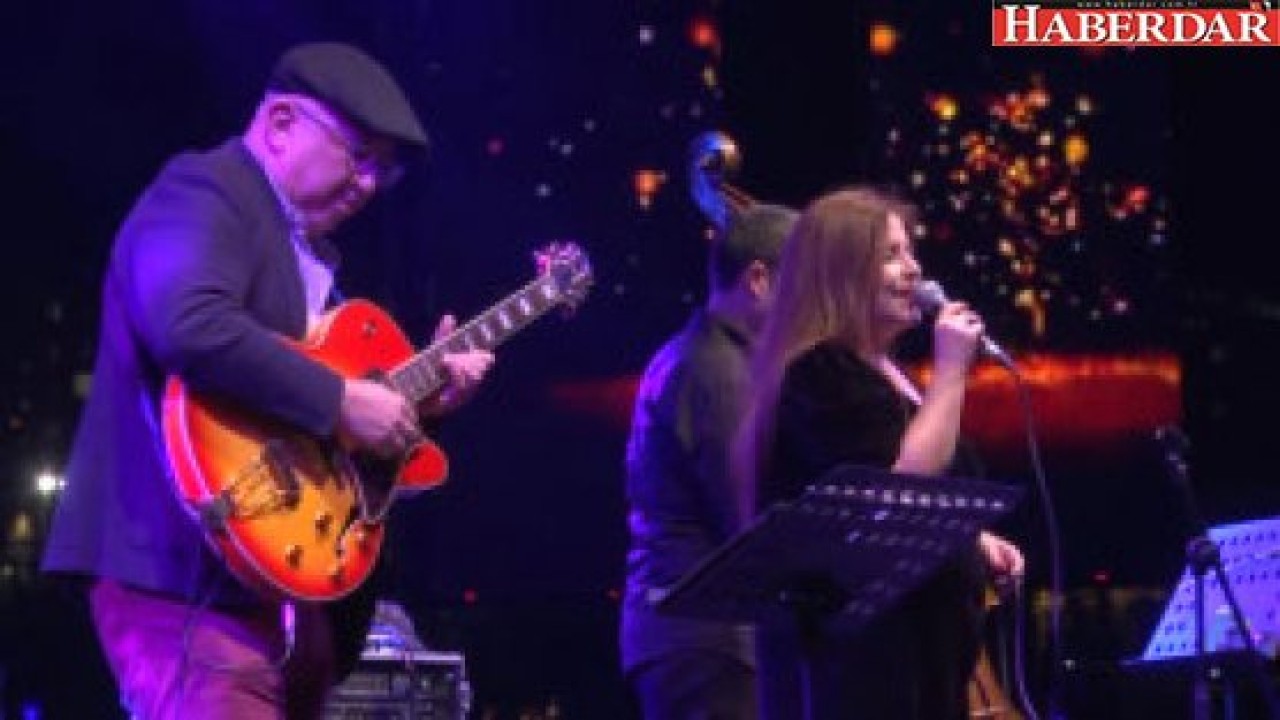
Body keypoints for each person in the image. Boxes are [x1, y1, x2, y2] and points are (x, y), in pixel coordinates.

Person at [40, 42, 494, 719]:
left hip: (271, 587)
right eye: (358, 156)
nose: (368, 184)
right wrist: (340, 400)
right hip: (182, 577)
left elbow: (298, 420)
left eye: (383, 172)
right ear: (282, 124)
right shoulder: (205, 190)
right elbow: (188, 322)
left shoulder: (304, 254)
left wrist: (420, 411)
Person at [734, 187, 1025, 720]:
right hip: (869, 666)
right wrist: (952, 369)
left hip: (928, 657)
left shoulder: (890, 374)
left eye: (910, 252)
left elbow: (928, 487)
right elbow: (899, 488)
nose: (914, 270)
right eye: (891, 255)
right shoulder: (819, 371)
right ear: (839, 274)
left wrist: (971, 539)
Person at [620, 203, 799, 720]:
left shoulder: (703, 356)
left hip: (692, 638)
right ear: (759, 280)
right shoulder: (717, 371)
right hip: (708, 642)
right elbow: (747, 518)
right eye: (807, 284)